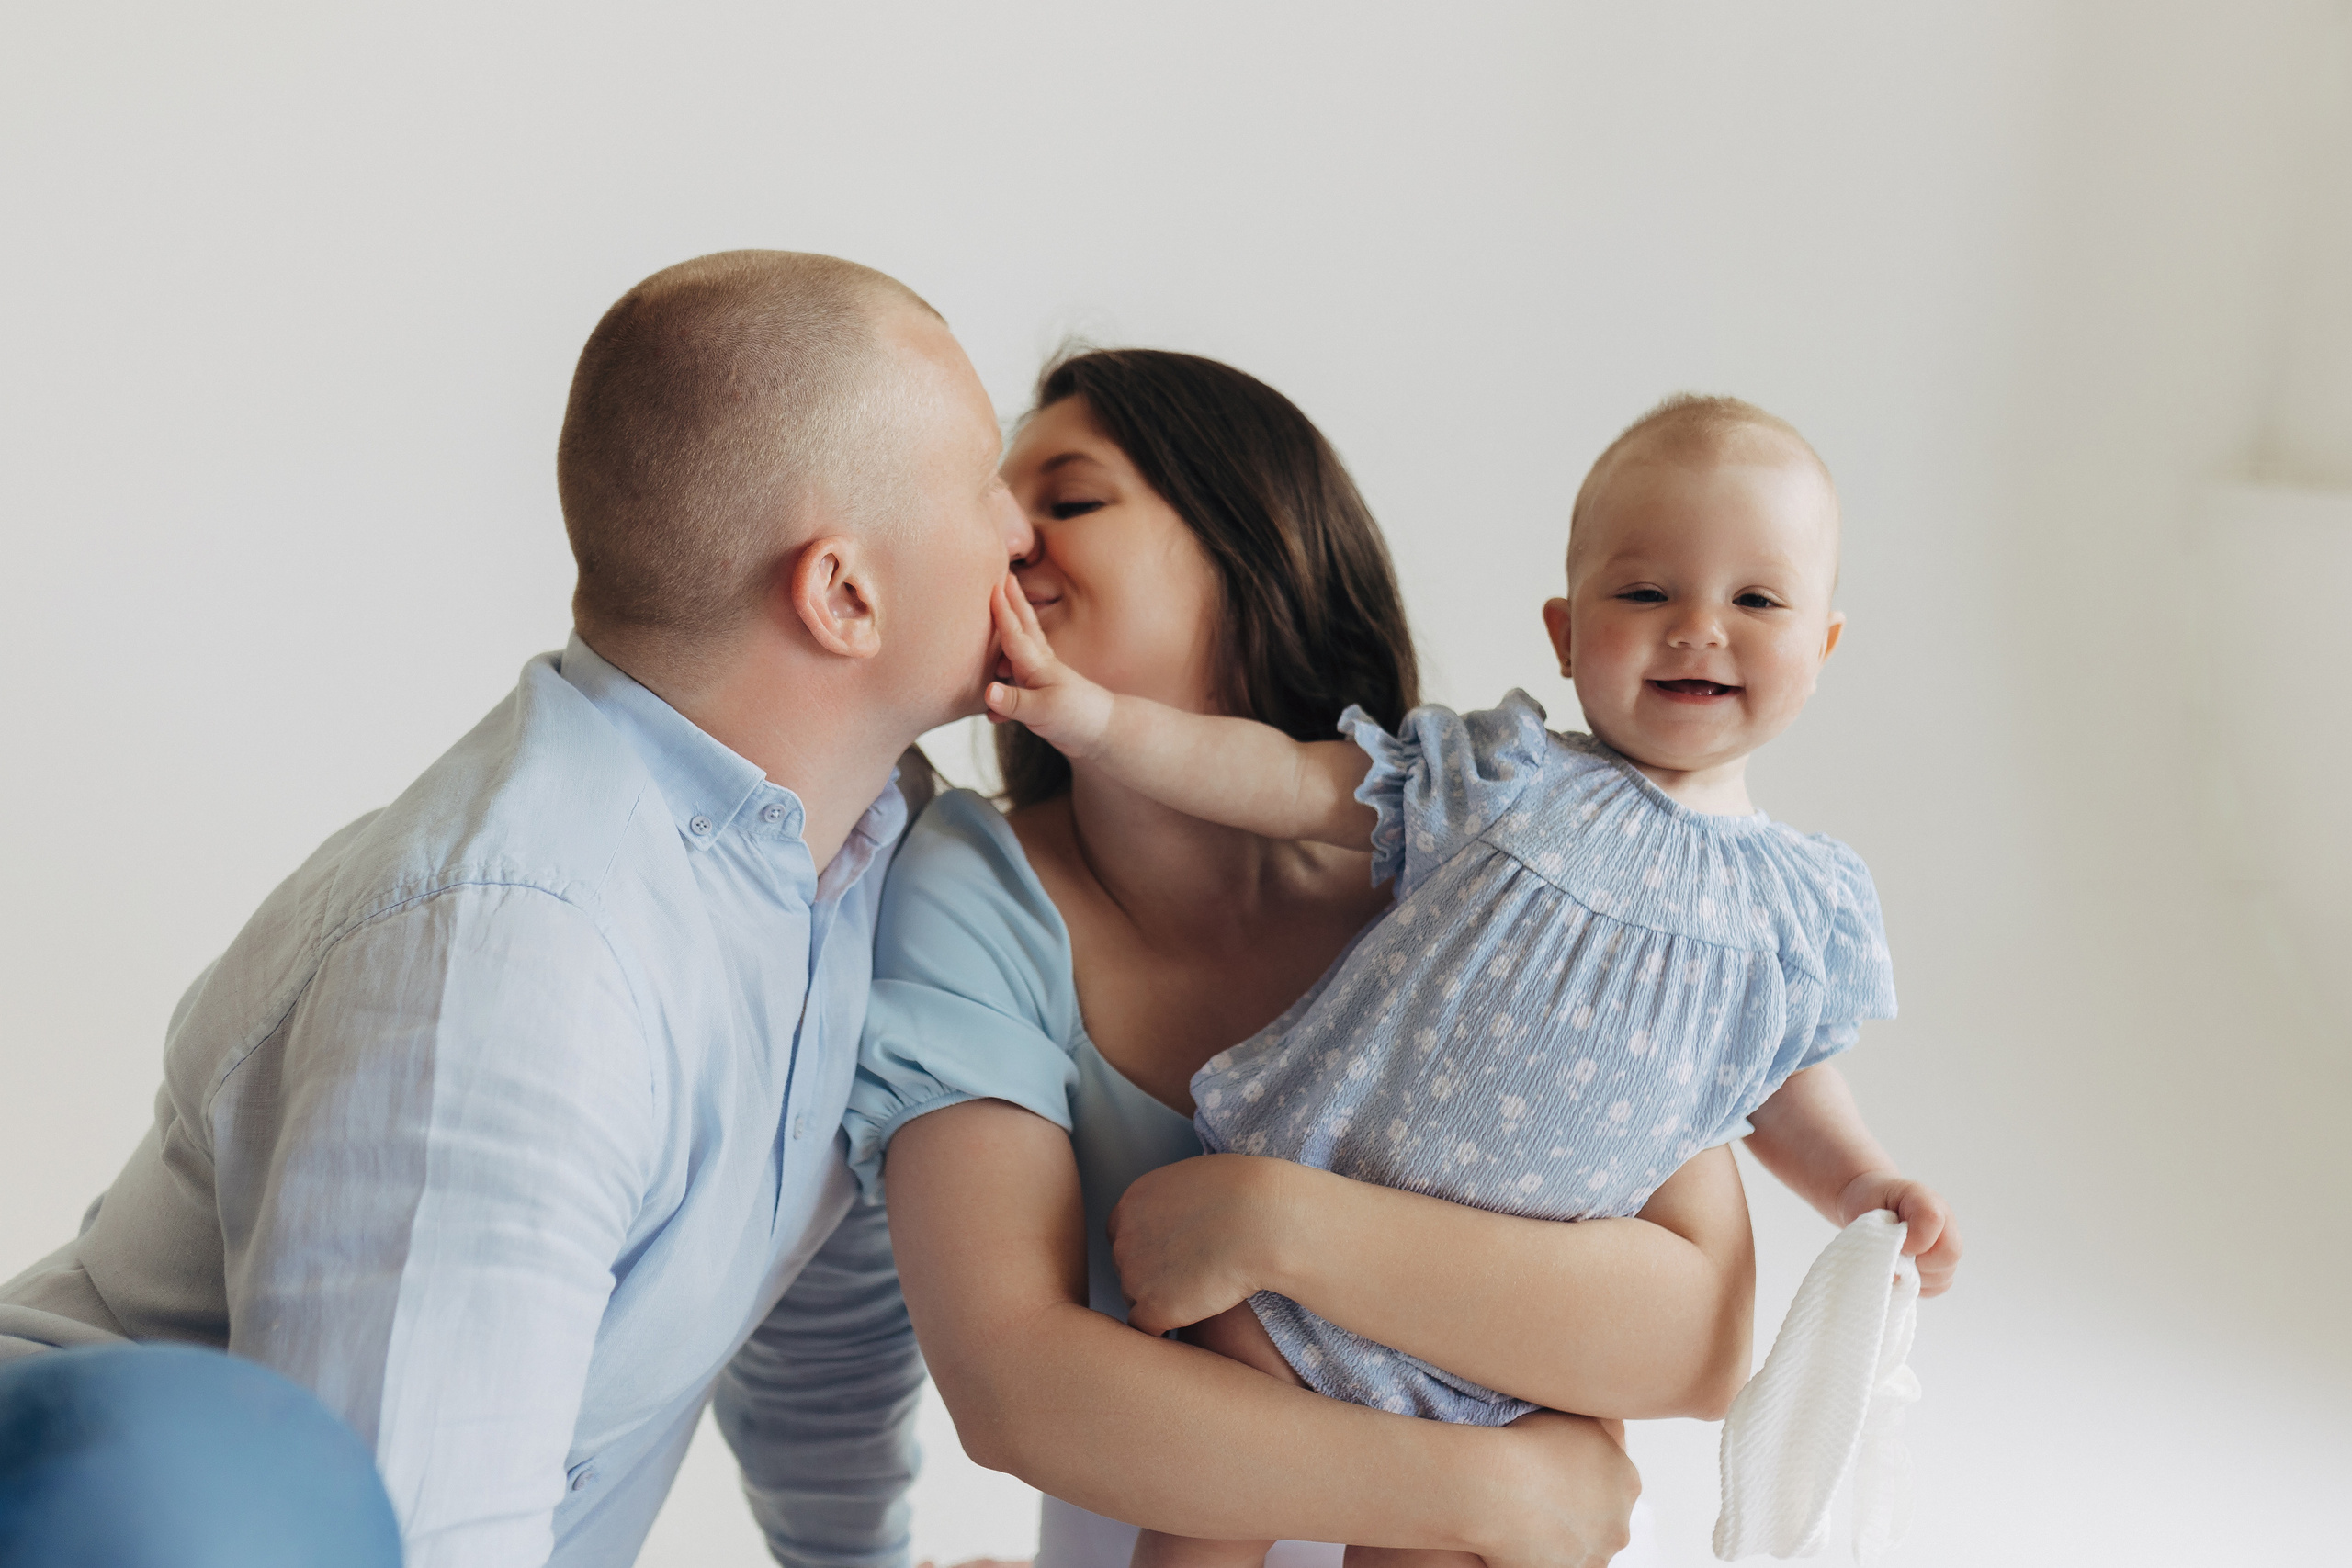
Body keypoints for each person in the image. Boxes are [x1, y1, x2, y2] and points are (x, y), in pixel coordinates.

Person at [0, 250, 1034, 1568]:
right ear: (843, 592)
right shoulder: (518, 954)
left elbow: (808, 1330)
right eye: (984, 480)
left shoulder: (867, 857)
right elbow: (418, 1536)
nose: (1020, 532)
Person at [980, 392, 1965, 1568]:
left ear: (1824, 645)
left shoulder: (1804, 912)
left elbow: (1783, 1080)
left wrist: (1862, 1184)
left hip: (1501, 1337)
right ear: (1563, 631)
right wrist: (1096, 723)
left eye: (1756, 600)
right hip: (1291, 1236)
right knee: (1205, 1528)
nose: (1698, 629)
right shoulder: (1502, 779)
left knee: (1440, 1536)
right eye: (1644, 594)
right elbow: (1286, 782)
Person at [848, 352, 1761, 1568]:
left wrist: (1276, 1221)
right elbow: (1016, 1385)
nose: (1010, 535)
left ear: (1251, 547)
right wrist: (1491, 1493)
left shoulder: (1491, 855)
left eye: (1066, 500)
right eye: (999, 506)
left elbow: (1697, 1341)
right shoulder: (978, 885)